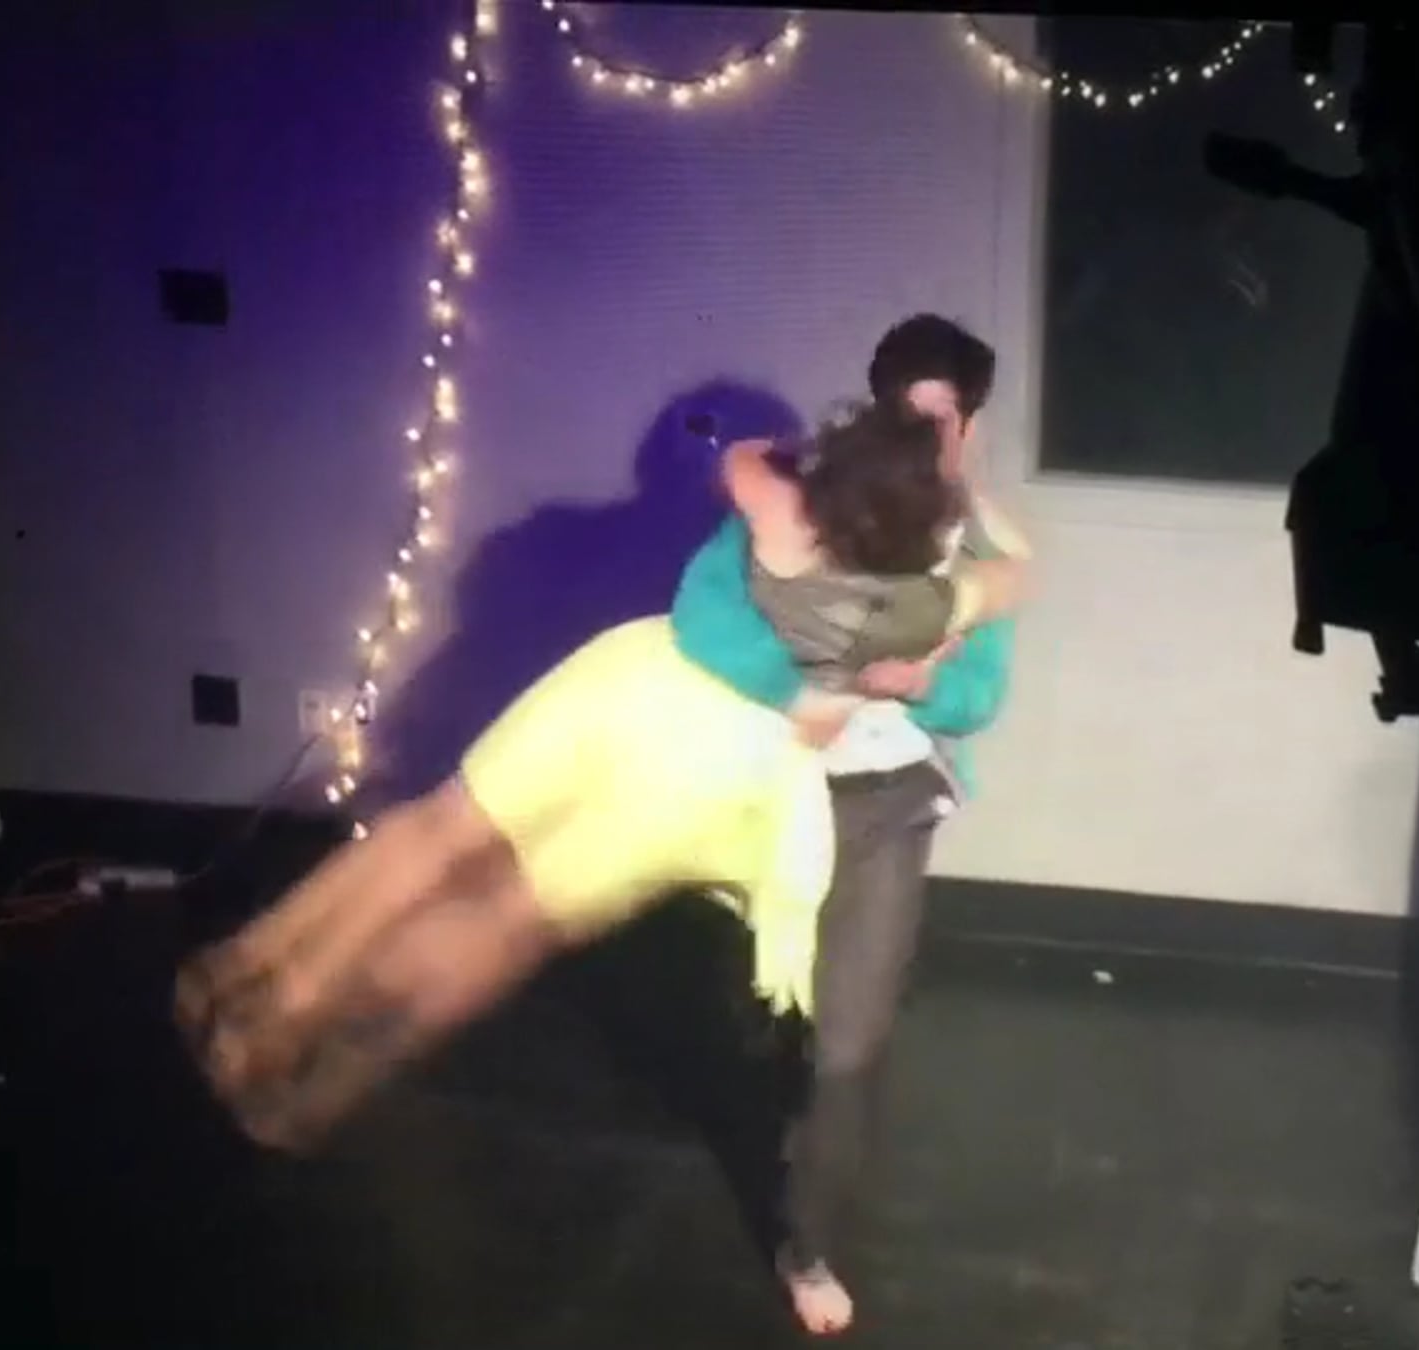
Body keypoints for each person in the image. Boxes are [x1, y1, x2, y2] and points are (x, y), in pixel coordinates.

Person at [174, 401, 1026, 1152]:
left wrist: (808, 471)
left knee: (451, 841)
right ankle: (308, 1055)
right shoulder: (929, 598)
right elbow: (1005, 596)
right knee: (505, 914)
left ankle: (267, 992)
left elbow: (740, 469)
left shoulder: (788, 505)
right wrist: (927, 621)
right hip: (719, 759)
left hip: (639, 683)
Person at [670, 314, 1020, 1336]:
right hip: (774, 793)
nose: (920, 442)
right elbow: (704, 619)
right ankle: (786, 1087)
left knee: (851, 1047)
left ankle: (810, 1245)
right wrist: (806, 691)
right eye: (902, 417)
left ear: (969, 428)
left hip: (889, 805)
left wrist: (919, 686)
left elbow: (982, 693)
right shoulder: (798, 500)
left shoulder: (975, 544)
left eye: (940, 423)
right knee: (767, 1012)